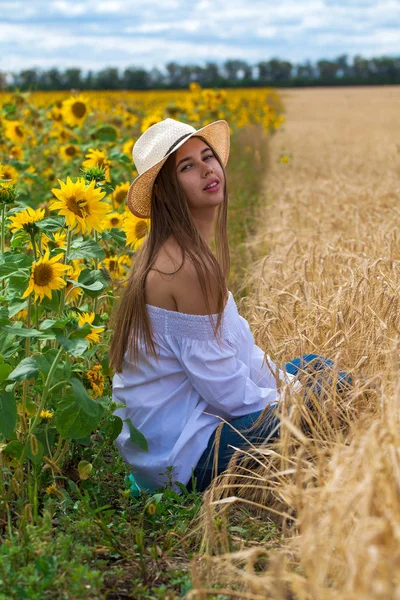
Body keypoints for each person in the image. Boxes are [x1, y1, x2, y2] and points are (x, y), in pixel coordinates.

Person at [109, 118, 353, 496]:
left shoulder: (186, 252)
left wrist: (292, 387)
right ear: (165, 192)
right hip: (183, 455)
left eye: (208, 157)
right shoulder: (182, 267)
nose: (207, 168)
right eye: (187, 166)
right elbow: (225, 391)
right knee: (333, 390)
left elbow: (239, 354)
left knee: (315, 368)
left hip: (195, 420)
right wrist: (296, 401)